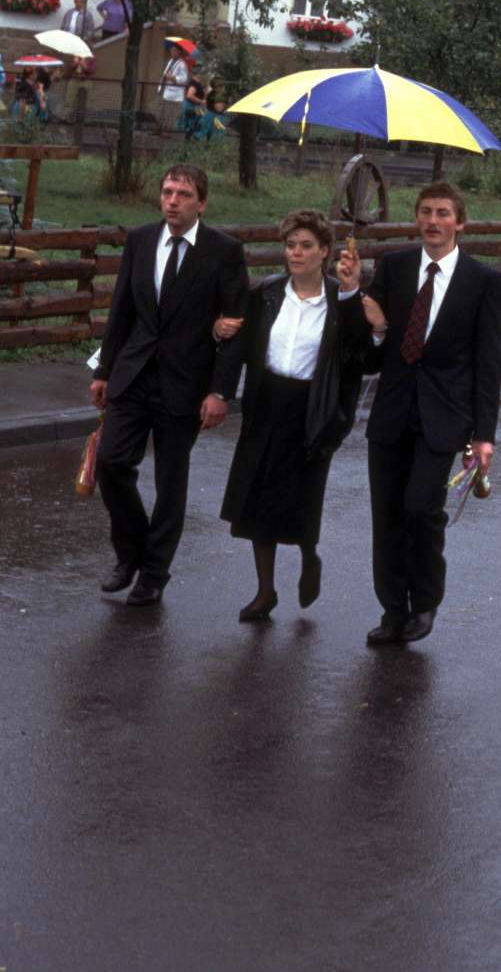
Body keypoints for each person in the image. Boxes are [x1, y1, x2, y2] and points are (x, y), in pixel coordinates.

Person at [90, 164, 251, 607]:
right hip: (134, 374)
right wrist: (103, 370)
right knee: (111, 463)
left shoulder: (224, 251)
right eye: (167, 192)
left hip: (186, 384)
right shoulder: (141, 240)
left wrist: (220, 392)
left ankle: (154, 573)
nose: (173, 201)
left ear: (202, 203)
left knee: (170, 481)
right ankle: (130, 553)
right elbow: (122, 309)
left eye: (183, 194)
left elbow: (236, 327)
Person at [353, 182, 501, 646]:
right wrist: (376, 329)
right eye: (425, 212)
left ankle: (424, 601)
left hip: (444, 417)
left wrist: (483, 434)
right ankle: (392, 610)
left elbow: (488, 364)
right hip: (392, 412)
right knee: (387, 516)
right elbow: (369, 358)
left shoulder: (483, 281)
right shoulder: (394, 267)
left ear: (460, 222)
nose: (432, 221)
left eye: (442, 213)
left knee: (421, 508)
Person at [216, 210, 371, 622]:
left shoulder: (339, 300)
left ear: (325, 252)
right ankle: (265, 591)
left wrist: (354, 296)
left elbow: (361, 355)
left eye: (306, 246)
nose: (296, 253)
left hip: (313, 408)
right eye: (290, 245)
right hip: (266, 402)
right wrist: (218, 331)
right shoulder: (267, 293)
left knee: (301, 496)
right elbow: (239, 343)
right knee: (257, 498)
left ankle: (308, 555)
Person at [158, 44, 189, 130]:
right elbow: (166, 73)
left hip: (174, 94)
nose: (172, 52)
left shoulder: (182, 64)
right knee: (161, 112)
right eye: (171, 50)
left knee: (169, 114)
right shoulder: (170, 61)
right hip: (165, 89)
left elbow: (184, 79)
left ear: (179, 52)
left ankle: (167, 131)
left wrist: (172, 77)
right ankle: (159, 129)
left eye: (174, 50)